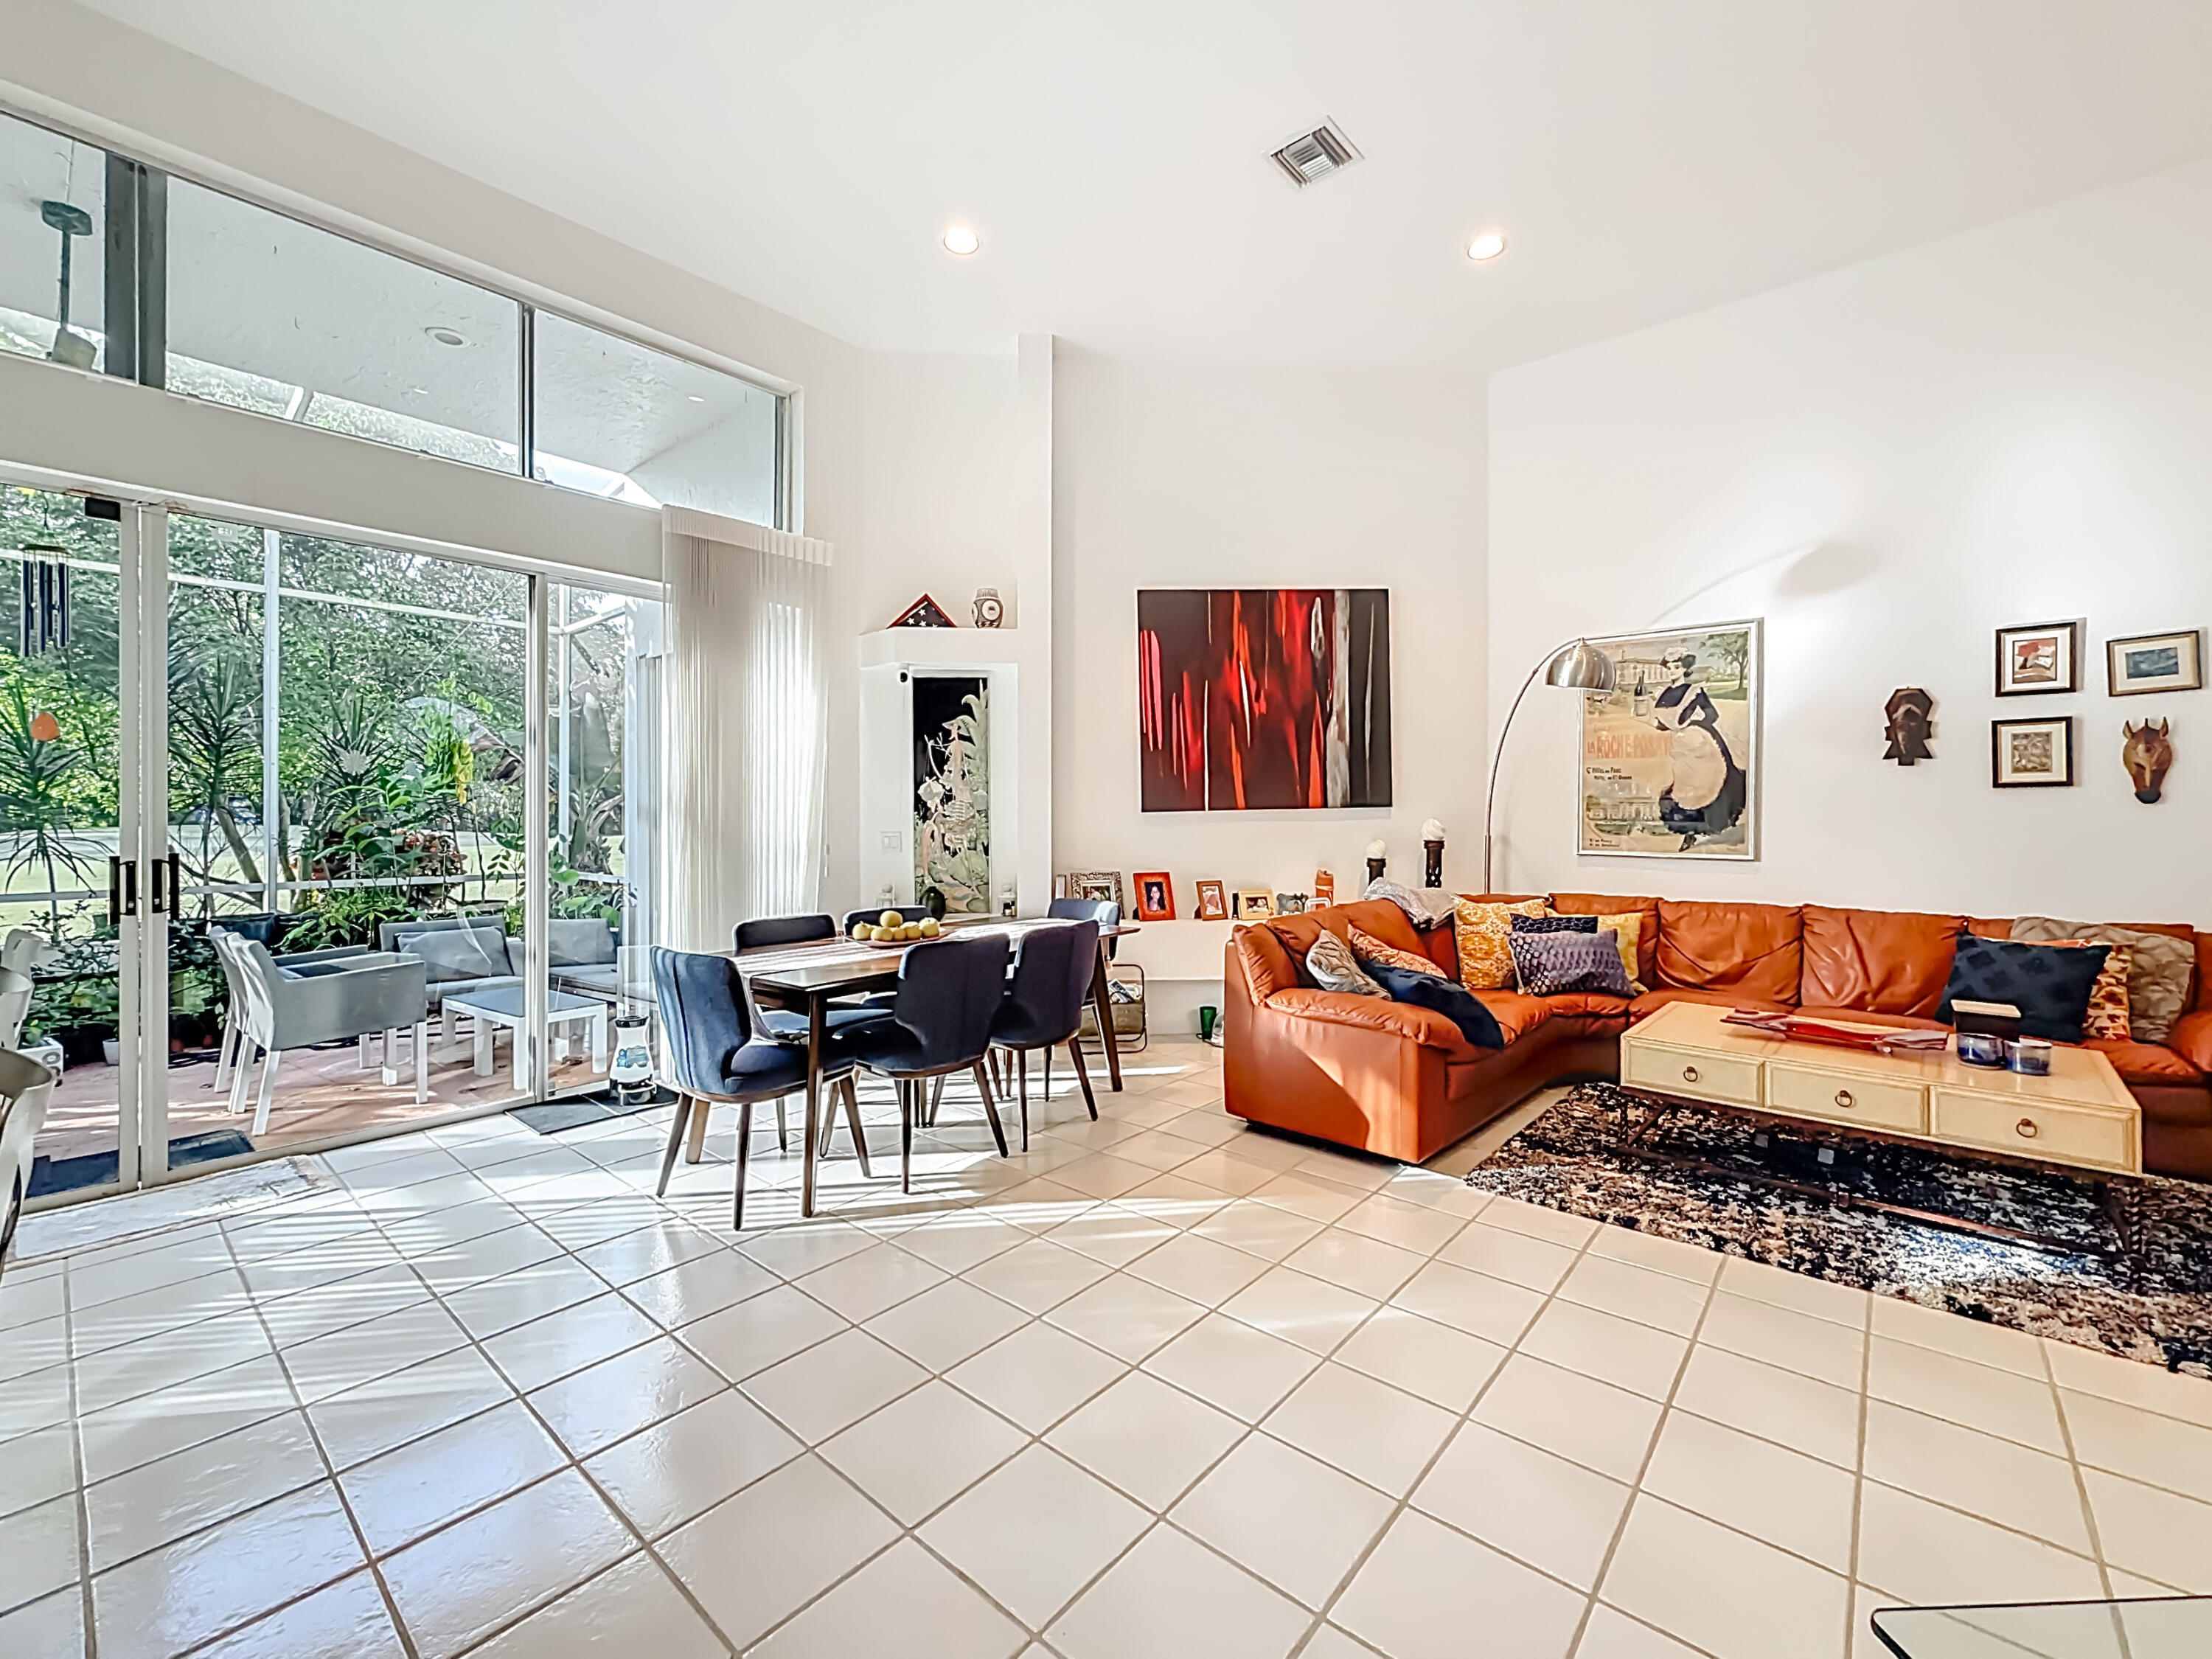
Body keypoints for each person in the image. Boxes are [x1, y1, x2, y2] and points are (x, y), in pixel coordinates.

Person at [1649, 653, 1747, 849]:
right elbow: (1665, 724)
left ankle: (1698, 831)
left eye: (1677, 667)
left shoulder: (1694, 691)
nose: (1672, 671)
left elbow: (1712, 715)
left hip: (1702, 741)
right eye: (1669, 667)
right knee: (1684, 787)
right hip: (1681, 745)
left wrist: (1694, 725)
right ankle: (1688, 832)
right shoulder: (1663, 693)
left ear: (1685, 669)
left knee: (1704, 783)